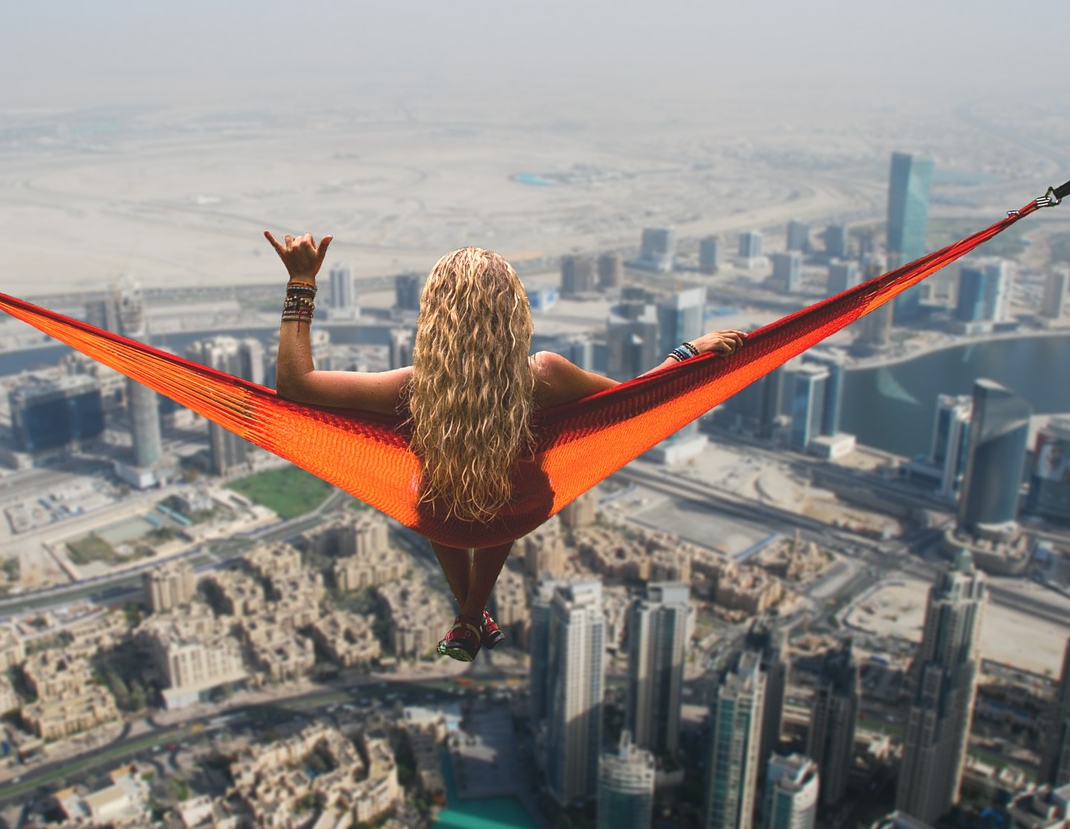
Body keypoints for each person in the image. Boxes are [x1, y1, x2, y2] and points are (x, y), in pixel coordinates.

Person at [266, 231, 745, 661]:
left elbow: (296, 382)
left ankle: (470, 615)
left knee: (436, 483)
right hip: (518, 512)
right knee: (506, 482)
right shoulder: (547, 377)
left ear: (435, 317)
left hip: (443, 520)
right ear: (514, 314)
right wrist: (686, 353)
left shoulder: (410, 390)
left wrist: (302, 280)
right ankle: (472, 617)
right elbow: (635, 398)